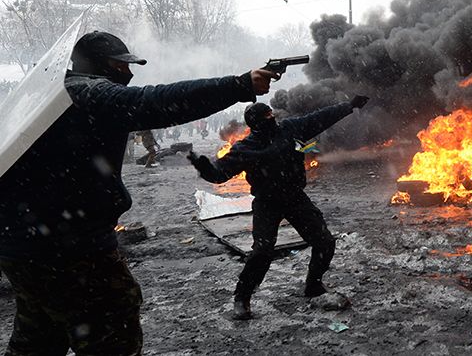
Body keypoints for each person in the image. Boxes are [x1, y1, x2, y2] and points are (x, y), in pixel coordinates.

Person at [0, 30, 277, 355]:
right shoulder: (87, 93)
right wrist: (240, 85)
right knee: (112, 333)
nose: (128, 72)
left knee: (39, 336)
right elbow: (157, 102)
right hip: (71, 249)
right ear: (100, 65)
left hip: (22, 247)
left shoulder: (43, 98)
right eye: (121, 65)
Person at [188, 96, 369, 320]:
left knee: (324, 242)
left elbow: (320, 118)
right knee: (262, 253)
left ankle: (313, 285)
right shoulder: (245, 148)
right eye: (266, 116)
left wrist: (349, 106)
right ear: (256, 123)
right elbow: (219, 174)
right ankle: (242, 297)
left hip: (295, 198)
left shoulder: (290, 129)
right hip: (267, 203)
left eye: (271, 113)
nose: (271, 118)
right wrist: (204, 167)